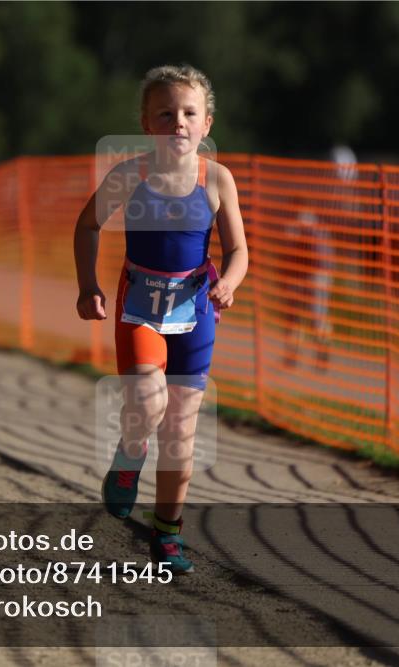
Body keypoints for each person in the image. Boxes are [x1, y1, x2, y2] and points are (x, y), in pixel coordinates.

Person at [74, 65, 249, 573]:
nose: (178, 123)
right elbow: (87, 225)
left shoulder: (217, 179)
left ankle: (167, 533)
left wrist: (231, 282)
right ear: (146, 124)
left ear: (206, 124)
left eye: (188, 114)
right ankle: (130, 455)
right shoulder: (129, 175)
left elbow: (239, 250)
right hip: (140, 308)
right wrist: (89, 284)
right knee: (148, 405)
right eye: (165, 114)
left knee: (181, 432)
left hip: (195, 310)